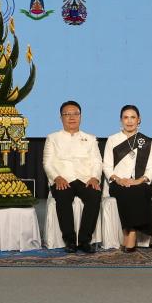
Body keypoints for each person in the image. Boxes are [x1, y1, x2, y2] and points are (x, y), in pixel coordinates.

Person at [43, 100, 103, 253]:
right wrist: (57, 178)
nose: (71, 117)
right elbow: (47, 163)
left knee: (94, 195)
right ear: (61, 117)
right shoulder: (53, 138)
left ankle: (84, 240)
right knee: (63, 196)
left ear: (80, 116)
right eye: (67, 114)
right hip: (63, 179)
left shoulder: (90, 138)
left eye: (75, 114)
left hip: (85, 179)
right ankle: (69, 240)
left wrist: (95, 177)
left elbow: (97, 161)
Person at [102, 105, 152, 251]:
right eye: (126, 117)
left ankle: (130, 233)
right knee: (127, 191)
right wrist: (118, 179)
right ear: (121, 120)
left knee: (138, 190)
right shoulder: (112, 139)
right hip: (118, 182)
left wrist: (139, 180)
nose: (129, 121)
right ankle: (130, 231)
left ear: (139, 120)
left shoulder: (146, 141)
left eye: (133, 117)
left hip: (140, 182)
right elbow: (107, 166)